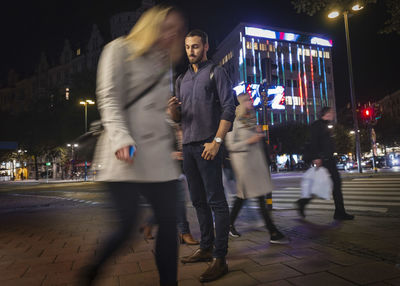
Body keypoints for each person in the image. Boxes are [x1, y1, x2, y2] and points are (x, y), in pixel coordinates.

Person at [85, 6, 186, 286]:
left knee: (168, 221)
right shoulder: (119, 49)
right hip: (125, 153)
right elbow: (109, 98)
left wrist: (173, 134)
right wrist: (121, 138)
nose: (172, 34)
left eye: (177, 29)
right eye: (167, 26)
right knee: (126, 227)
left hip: (158, 158)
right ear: (149, 25)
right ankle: (92, 271)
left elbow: (157, 112)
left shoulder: (164, 63)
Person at [168, 29, 236, 282]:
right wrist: (172, 111)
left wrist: (217, 141)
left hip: (208, 146)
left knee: (216, 201)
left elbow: (229, 108)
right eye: (187, 47)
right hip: (188, 147)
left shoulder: (216, 72)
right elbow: (179, 119)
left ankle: (220, 258)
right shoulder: (181, 79)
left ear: (206, 46)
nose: (191, 51)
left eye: (195, 46)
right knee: (197, 201)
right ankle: (206, 248)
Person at [225, 93, 288, 244]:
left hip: (255, 165)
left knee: (243, 197)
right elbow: (230, 146)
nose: (250, 102)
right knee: (258, 197)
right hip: (244, 166)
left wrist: (258, 134)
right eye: (247, 100)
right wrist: (250, 140)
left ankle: (229, 223)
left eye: (250, 100)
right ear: (240, 104)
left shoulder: (251, 120)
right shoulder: (233, 122)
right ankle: (272, 231)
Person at [296, 107, 355, 220]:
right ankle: (303, 203)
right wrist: (316, 157)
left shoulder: (325, 125)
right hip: (324, 160)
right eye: (331, 112)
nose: (333, 114)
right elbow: (313, 142)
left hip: (329, 160)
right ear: (326, 114)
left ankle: (339, 212)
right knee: (326, 185)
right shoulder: (317, 125)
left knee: (333, 185)